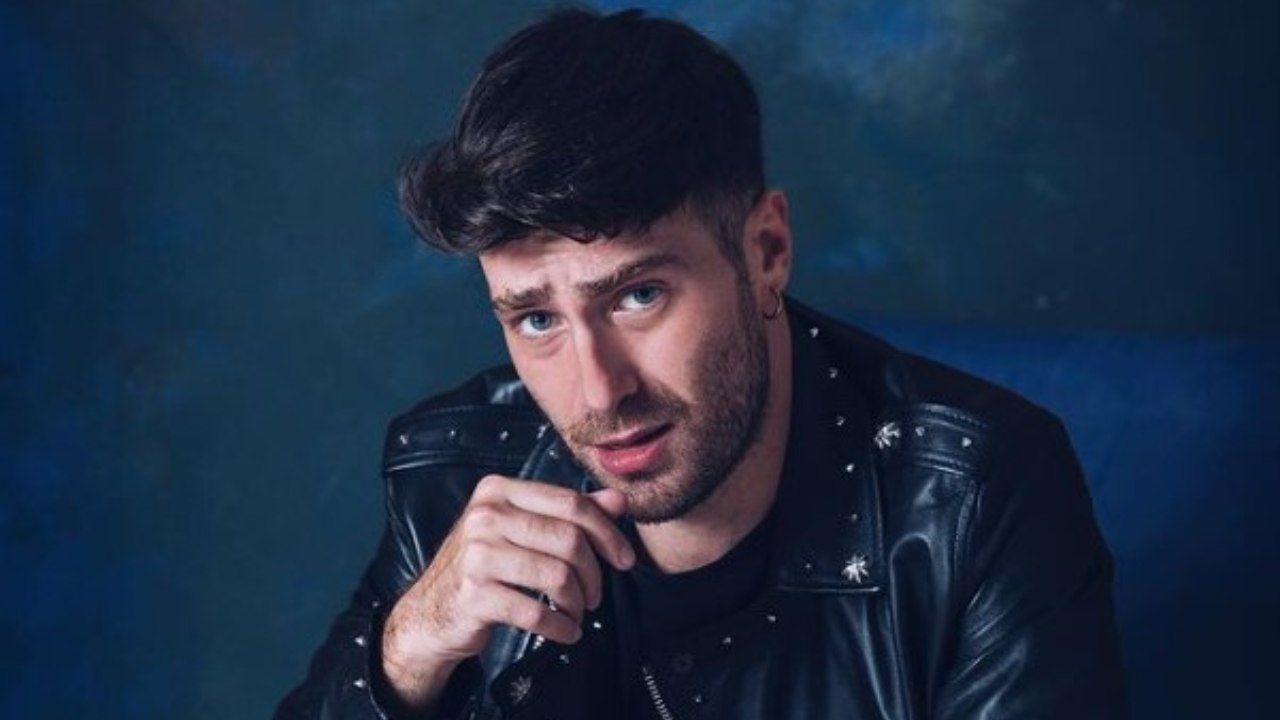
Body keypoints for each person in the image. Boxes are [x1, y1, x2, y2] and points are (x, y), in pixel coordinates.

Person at [275, 7, 1128, 719]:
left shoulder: (968, 499)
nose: (598, 391)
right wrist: (409, 650)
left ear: (767, 252)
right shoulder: (453, 474)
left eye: (638, 296)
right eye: (536, 319)